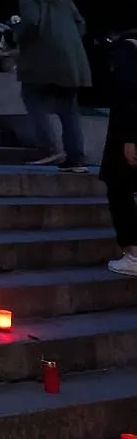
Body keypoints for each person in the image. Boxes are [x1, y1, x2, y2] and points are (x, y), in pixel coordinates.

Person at [13, 0, 90, 173]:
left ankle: (49, 147)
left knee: (31, 95)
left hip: (43, 57)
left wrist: (17, 34)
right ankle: (76, 158)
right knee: (68, 107)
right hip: (71, 60)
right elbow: (81, 24)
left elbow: (30, 22)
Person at [101, 32, 137, 276]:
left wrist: (129, 138)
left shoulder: (127, 49)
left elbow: (128, 93)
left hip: (127, 132)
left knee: (119, 188)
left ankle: (134, 254)